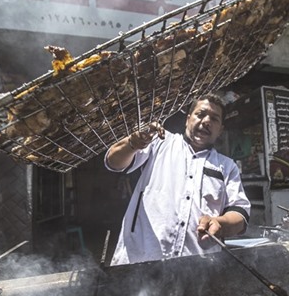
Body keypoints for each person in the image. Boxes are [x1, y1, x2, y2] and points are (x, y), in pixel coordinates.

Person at [104, 93, 251, 265]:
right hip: (139, 262)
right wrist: (132, 143)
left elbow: (240, 214)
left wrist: (220, 223)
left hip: (198, 270)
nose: (206, 121)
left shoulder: (227, 167)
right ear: (188, 119)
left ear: (220, 130)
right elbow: (113, 162)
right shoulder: (159, 142)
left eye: (214, 118)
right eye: (200, 114)